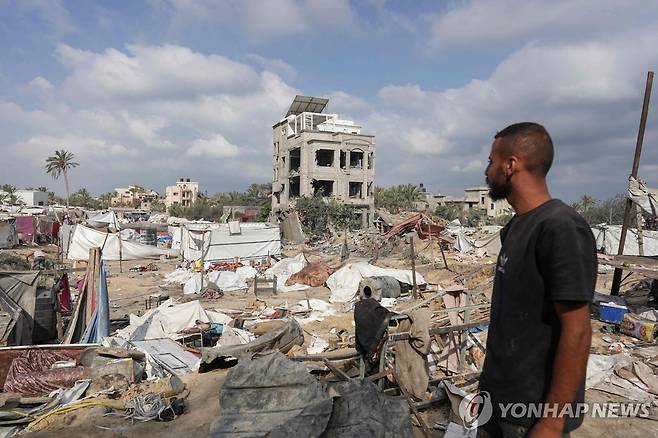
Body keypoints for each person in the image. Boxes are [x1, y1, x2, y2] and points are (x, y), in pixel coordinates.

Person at [478, 123, 596, 438]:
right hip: (497, 402)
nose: (487, 170)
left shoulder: (560, 228)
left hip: (530, 414)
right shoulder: (517, 227)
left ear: (511, 165)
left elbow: (578, 329)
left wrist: (552, 422)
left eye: (491, 161)